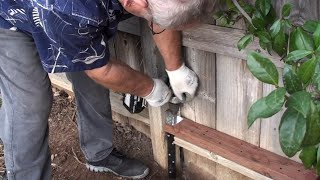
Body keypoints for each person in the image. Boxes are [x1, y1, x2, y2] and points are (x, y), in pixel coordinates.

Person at [0, 0, 216, 179]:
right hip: (13, 19)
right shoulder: (73, 11)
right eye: (148, 14)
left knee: (93, 87)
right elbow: (99, 69)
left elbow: (162, 14)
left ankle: (99, 153)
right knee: (29, 105)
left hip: (65, 18)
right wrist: (150, 89)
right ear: (133, 3)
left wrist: (175, 68)